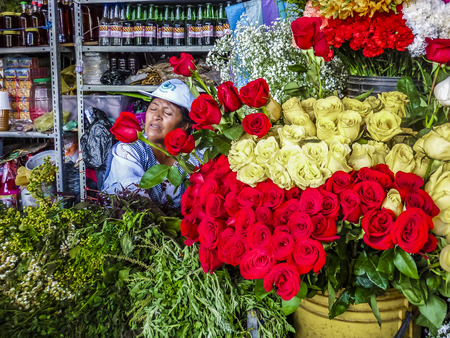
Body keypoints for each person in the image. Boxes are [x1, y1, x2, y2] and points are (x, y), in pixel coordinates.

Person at [102, 79, 201, 208]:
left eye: (167, 112)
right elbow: (137, 203)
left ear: (185, 125)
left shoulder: (194, 156)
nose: (156, 116)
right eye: (153, 108)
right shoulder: (128, 151)